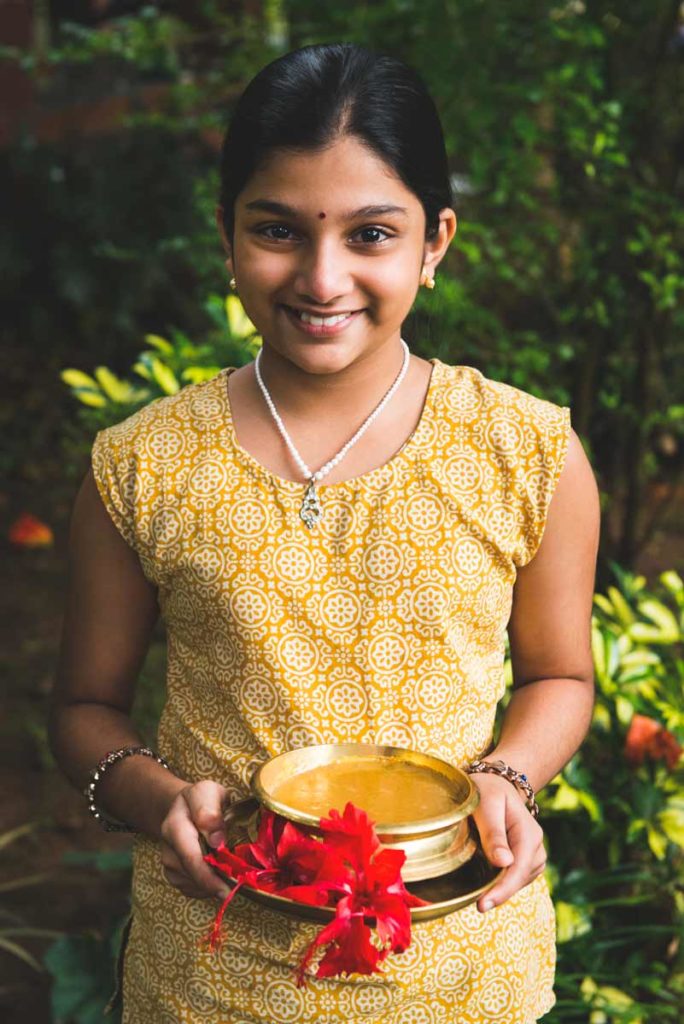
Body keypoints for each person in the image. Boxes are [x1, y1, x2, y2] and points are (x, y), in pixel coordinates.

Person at [50, 41, 600, 1024]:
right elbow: (85, 708)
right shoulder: (141, 466)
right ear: (226, 237)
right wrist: (154, 797)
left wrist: (508, 776)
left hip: (461, 970)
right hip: (214, 970)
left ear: (435, 243)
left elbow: (560, 675)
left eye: (370, 234)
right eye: (278, 230)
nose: (321, 275)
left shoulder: (529, 453)